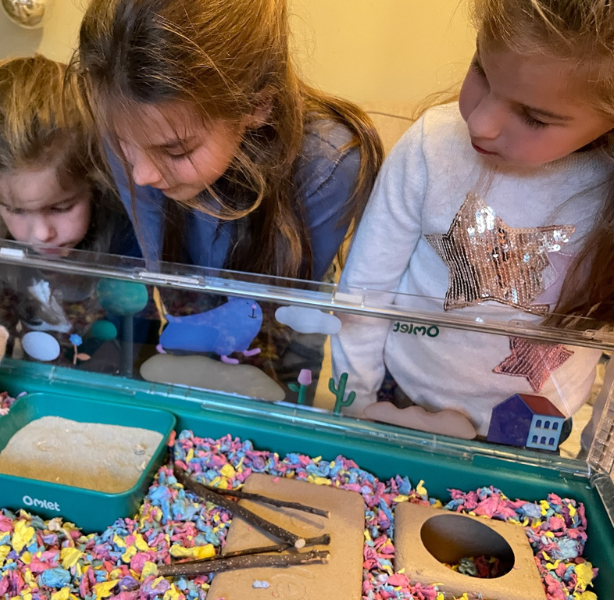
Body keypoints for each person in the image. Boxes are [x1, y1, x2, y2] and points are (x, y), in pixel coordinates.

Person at [74, 0, 383, 400]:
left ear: (257, 105)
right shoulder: (131, 132)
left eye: (176, 149)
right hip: (192, 321)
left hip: (278, 341)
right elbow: (171, 287)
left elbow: (270, 319)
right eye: (121, 143)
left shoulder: (330, 164)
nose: (141, 175)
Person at [333, 0, 614, 439]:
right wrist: (354, 403)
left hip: (531, 426)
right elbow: (364, 292)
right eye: (480, 68)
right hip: (398, 395)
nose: (480, 124)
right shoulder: (431, 146)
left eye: (534, 117)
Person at [0, 55, 144, 372]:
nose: (42, 234)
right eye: (16, 210)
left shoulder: (124, 215)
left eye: (61, 207)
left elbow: (136, 337)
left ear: (95, 181)